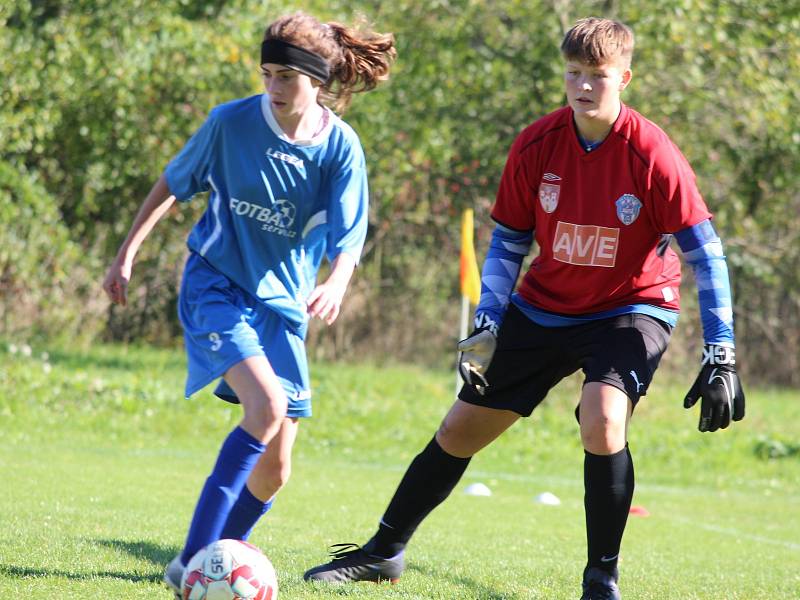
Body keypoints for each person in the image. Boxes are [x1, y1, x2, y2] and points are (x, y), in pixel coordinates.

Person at [302, 16, 744, 600]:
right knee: (459, 432)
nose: (585, 86)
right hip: (543, 307)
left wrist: (721, 355)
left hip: (630, 308)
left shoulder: (652, 153)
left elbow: (706, 257)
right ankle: (383, 552)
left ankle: (600, 580)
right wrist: (489, 321)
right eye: (575, 73)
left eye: (599, 76)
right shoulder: (538, 143)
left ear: (625, 78)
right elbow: (509, 242)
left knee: (604, 418)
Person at [101, 11, 395, 597]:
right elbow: (174, 181)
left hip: (282, 307)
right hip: (215, 283)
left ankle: (220, 559)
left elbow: (350, 234)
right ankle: (190, 565)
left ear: (318, 80)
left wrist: (337, 281)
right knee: (264, 407)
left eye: (287, 75)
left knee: (277, 466)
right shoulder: (230, 123)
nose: (274, 86)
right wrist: (126, 252)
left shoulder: (339, 146)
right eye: (267, 73)